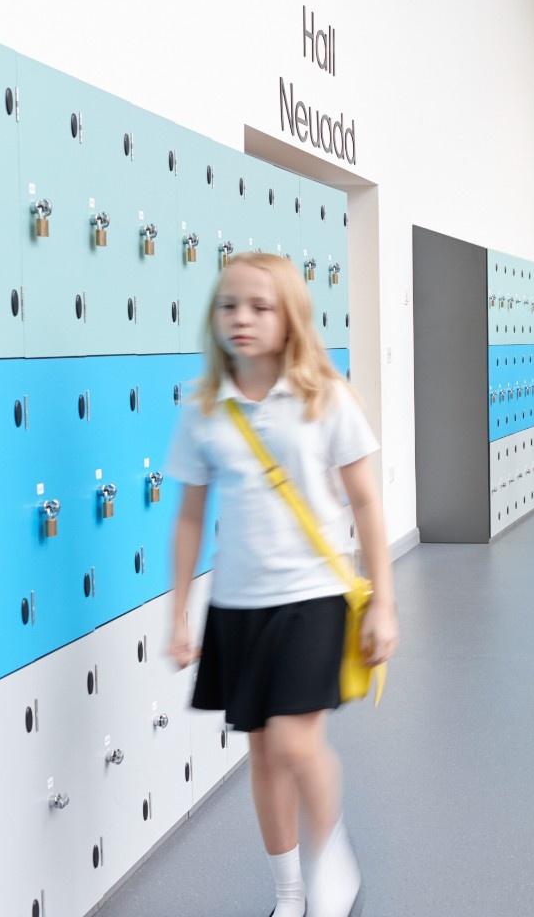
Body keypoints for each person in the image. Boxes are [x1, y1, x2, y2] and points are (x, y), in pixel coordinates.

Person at [165, 253, 398, 917]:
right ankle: (288, 891)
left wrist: (385, 600)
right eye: (228, 305)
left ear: (290, 315)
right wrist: (180, 612)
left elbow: (366, 505)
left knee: (296, 742)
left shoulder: (325, 397)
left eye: (260, 306)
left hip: (312, 597)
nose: (241, 318)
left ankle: (333, 860)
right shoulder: (205, 406)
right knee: (263, 753)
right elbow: (188, 516)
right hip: (237, 603)